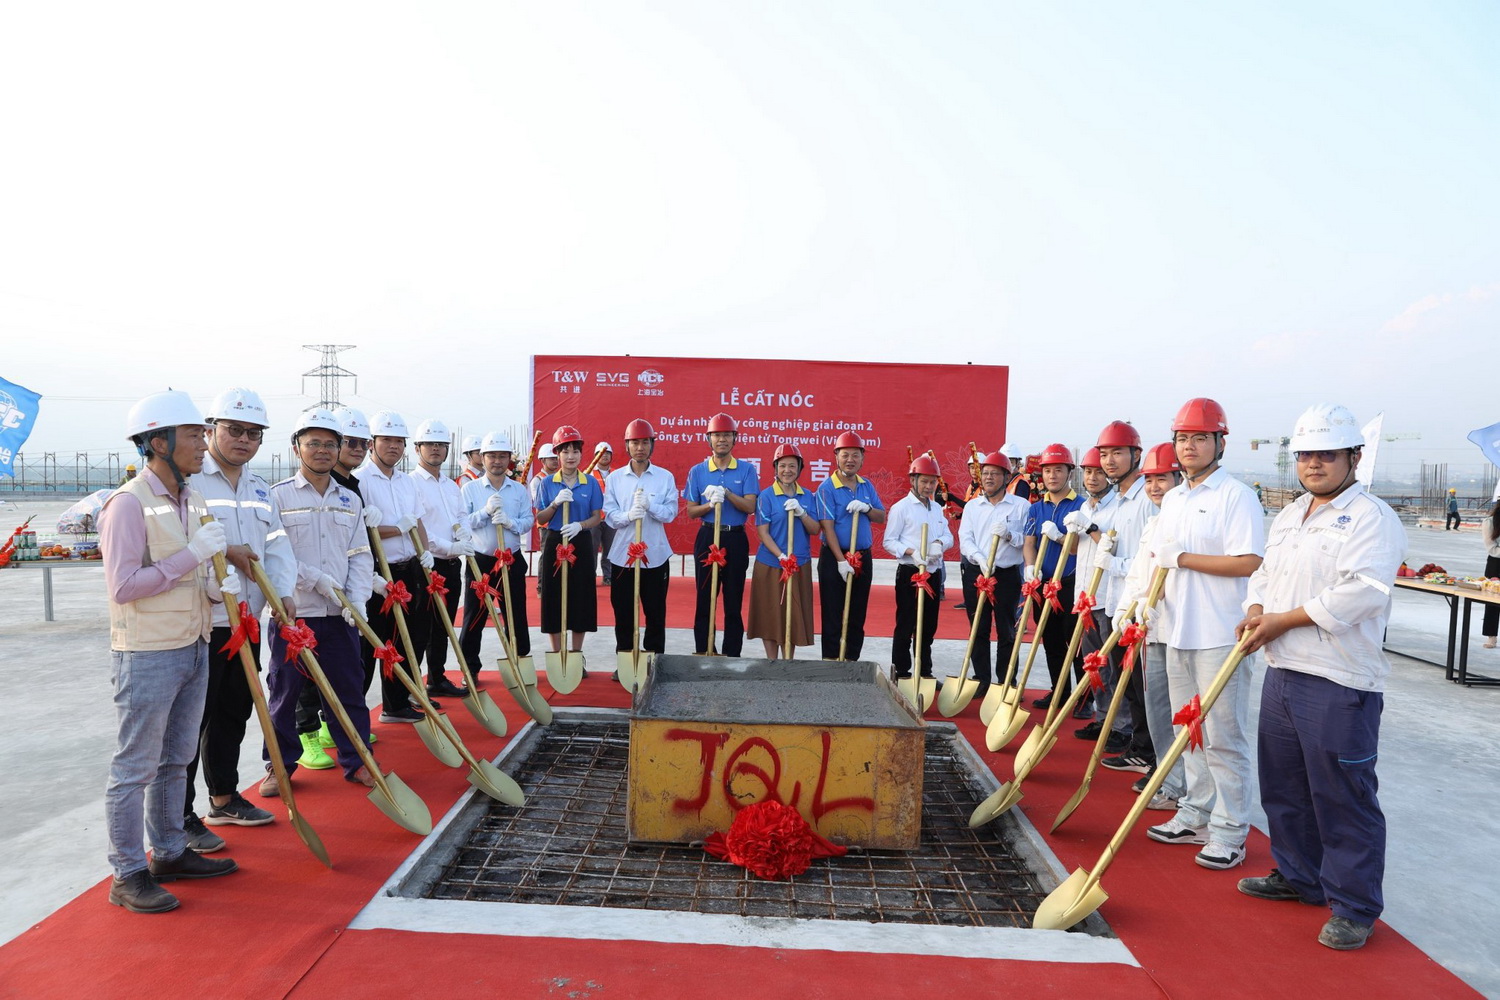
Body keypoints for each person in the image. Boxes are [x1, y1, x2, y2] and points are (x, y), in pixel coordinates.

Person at [1236, 403, 1407, 952]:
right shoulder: (1291, 514)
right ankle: (1299, 876)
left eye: (1327, 454)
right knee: (1284, 786)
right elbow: (1265, 572)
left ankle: (1354, 907)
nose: (1313, 464)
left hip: (1339, 678)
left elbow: (1362, 593)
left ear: (1354, 457)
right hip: (1283, 670)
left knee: (1342, 796)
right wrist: (1257, 608)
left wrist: (1281, 620)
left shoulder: (1372, 517)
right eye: (1305, 454)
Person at [99, 390, 238, 913]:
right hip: (148, 653)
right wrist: (191, 557)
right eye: (194, 435)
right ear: (158, 442)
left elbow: (192, 572)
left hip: (195, 644)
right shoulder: (127, 504)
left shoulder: (192, 499)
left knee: (176, 759)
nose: (204, 444)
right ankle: (127, 873)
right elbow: (123, 586)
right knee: (134, 768)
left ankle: (170, 852)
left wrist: (214, 588)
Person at [1144, 397, 1265, 873]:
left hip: (1220, 633)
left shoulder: (1236, 496)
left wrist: (1183, 559)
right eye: (1182, 438)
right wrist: (1149, 603)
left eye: (1199, 438)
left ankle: (1230, 830)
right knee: (1187, 729)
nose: (1189, 446)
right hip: (1178, 629)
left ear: (1220, 442)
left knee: (1223, 737)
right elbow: (1161, 563)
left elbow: (1249, 562)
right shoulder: (1174, 498)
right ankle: (1195, 811)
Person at [183, 387, 296, 841]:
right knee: (191, 721)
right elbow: (175, 545)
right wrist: (227, 551)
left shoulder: (260, 489)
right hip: (202, 622)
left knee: (234, 712)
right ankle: (179, 818)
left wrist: (283, 593)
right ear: (212, 430)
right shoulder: (190, 481)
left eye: (254, 433)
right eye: (235, 430)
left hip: (246, 619)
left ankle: (224, 798)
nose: (244, 440)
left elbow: (277, 545)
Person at [262, 407, 377, 794]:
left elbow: (360, 554)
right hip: (293, 615)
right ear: (296, 448)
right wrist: (316, 580)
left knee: (349, 691)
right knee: (284, 693)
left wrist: (357, 600)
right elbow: (275, 555)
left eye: (331, 443)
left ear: (339, 448)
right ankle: (279, 766)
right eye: (314, 443)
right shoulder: (277, 497)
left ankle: (358, 761)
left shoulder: (350, 500)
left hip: (339, 616)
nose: (323, 450)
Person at [1103, 442, 1187, 812]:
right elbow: (1139, 574)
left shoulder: (1184, 520)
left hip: (1180, 630)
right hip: (1149, 629)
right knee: (1155, 709)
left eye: (1162, 479)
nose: (1154, 487)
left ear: (1178, 478)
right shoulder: (1153, 523)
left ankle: (1180, 783)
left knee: (1178, 713)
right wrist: (1126, 609)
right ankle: (1166, 776)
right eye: (1150, 480)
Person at [355, 410, 435, 725]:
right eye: (386, 440)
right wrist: (395, 529)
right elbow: (362, 530)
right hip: (378, 573)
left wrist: (425, 555)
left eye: (399, 441)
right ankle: (355, 713)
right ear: (371, 443)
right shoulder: (360, 480)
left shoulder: (406, 482)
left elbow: (417, 522)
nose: (393, 446)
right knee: (372, 644)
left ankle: (396, 703)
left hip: (408, 569)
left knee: (406, 639)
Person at [684, 412, 760, 656]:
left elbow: (750, 506)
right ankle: (704, 649)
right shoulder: (698, 471)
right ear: (709, 439)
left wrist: (726, 493)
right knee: (705, 596)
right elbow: (691, 511)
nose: (722, 440)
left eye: (727, 435)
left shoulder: (746, 470)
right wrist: (710, 505)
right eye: (717, 435)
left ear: (734, 438)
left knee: (733, 599)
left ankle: (732, 653)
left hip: (735, 538)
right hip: (708, 537)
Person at [603, 420, 679, 662]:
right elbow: (610, 515)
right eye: (635, 442)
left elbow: (670, 513)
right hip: (623, 556)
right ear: (627, 445)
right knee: (623, 611)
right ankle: (625, 661)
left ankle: (655, 661)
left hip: (655, 555)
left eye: (645, 442)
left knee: (655, 612)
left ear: (652, 445)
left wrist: (650, 506)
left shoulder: (664, 477)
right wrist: (628, 516)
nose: (640, 447)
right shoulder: (615, 478)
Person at [955, 450, 1028, 693]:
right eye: (985, 473)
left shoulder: (1021, 506)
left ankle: (1006, 681)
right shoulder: (973, 507)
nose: (988, 478)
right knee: (978, 628)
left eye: (995, 474)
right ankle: (981, 679)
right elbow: (965, 539)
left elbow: (1028, 541)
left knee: (1006, 630)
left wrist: (1010, 535)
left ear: (1006, 477)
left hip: (1006, 575)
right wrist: (978, 557)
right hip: (976, 573)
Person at [460, 432, 535, 667]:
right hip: (481, 562)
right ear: (482, 458)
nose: (497, 461)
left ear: (509, 459)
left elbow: (528, 521)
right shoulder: (470, 489)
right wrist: (485, 512)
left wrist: (511, 523)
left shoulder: (519, 490)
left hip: (511, 560)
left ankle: (519, 661)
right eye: (491, 456)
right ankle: (469, 666)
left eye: (502, 456)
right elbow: (462, 523)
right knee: (475, 616)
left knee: (515, 613)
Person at [410, 418, 472, 699]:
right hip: (427, 564)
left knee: (443, 625)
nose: (435, 449)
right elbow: (419, 527)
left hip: (451, 564)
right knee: (420, 628)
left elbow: (460, 515)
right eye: (429, 444)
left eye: (440, 444)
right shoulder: (411, 484)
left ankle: (436, 678)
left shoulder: (450, 485)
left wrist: (463, 534)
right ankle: (412, 685)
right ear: (417, 448)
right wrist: (450, 546)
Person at [1022, 443, 1086, 714]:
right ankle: (1059, 691)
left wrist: (1059, 537)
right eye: (1048, 471)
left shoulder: (1082, 506)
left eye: (1058, 470)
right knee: (1050, 640)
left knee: (1076, 642)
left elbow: (1081, 548)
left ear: (1069, 472)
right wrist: (1030, 567)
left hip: (1071, 583)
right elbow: (1029, 542)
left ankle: (1084, 699)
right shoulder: (1036, 509)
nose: (1052, 476)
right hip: (1044, 584)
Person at [815, 431, 888, 660]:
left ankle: (851, 661)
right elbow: (827, 527)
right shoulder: (826, 488)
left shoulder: (866, 486)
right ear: (836, 457)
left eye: (855, 455)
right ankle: (831, 662)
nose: (850, 460)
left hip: (862, 557)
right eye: (845, 455)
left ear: (862, 458)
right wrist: (840, 560)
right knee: (833, 613)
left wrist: (867, 508)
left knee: (857, 613)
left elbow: (880, 516)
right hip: (834, 557)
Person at [534, 426, 604, 664]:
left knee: (581, 596)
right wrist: (554, 504)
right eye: (565, 451)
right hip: (555, 540)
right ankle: (556, 655)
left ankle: (576, 655)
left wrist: (580, 526)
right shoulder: (547, 483)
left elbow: (597, 517)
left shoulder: (590, 482)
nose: (570, 456)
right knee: (553, 596)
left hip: (580, 540)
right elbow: (540, 518)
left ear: (581, 454)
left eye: (575, 451)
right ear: (557, 454)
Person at [1064, 446, 1120, 735]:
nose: (1093, 478)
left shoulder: (1118, 507)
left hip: (1106, 598)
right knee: (1092, 664)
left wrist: (1091, 528)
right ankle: (1102, 718)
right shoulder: (1084, 507)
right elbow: (1076, 550)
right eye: (1088, 472)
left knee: (1111, 666)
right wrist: (1065, 535)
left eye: (1098, 472)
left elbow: (1113, 550)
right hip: (1084, 596)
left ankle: (1118, 725)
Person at [748, 443, 821, 659]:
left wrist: (802, 513)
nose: (787, 470)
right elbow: (763, 533)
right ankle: (772, 663)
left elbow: (815, 529)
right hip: (771, 564)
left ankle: (788, 662)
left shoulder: (807, 496)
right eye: (782, 466)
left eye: (792, 466)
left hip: (799, 564)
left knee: (793, 614)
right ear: (775, 468)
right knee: (770, 614)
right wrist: (780, 556)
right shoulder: (766, 496)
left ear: (799, 468)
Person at [884, 455, 952, 682]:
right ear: (913, 480)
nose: (928, 486)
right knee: (906, 623)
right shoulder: (901, 508)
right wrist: (911, 552)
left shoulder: (937, 509)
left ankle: (924, 672)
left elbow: (948, 536)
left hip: (933, 573)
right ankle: (901, 672)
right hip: (910, 573)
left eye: (932, 482)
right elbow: (889, 541)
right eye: (924, 481)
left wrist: (939, 543)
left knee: (928, 626)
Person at [591, 441, 616, 585]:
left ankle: (608, 576)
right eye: (601, 453)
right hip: (594, 518)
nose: (604, 456)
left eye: (608, 453)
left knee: (610, 549)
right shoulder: (589, 474)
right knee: (591, 549)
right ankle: (590, 575)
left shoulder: (617, 474)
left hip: (611, 518)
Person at [1484, 501, 1500, 649]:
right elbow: (1491, 548)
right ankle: (1491, 636)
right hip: (1496, 564)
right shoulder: (1490, 522)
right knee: (1492, 603)